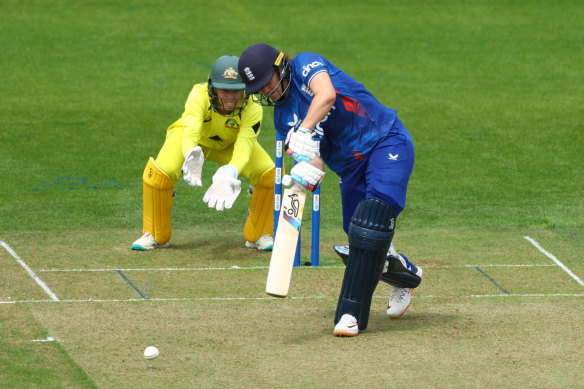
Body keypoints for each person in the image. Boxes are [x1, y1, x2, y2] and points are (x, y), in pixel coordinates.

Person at [238, 44, 423, 336]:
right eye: (258, 90)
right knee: (357, 232)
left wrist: (304, 130)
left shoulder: (304, 65)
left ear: (279, 67)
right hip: (350, 169)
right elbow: (316, 163)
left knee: (370, 223)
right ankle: (403, 274)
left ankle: (350, 315)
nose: (265, 93)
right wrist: (305, 172)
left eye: (266, 84)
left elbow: (326, 95)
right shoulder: (282, 118)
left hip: (385, 141)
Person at [132, 55, 275, 252]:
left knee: (269, 174)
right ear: (211, 87)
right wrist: (191, 154)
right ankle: (155, 234)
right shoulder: (198, 95)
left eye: (236, 92)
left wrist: (230, 172)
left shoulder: (253, 106)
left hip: (230, 144)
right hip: (195, 141)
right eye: (224, 90)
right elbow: (190, 131)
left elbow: (244, 147)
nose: (230, 98)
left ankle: (259, 234)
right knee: (160, 175)